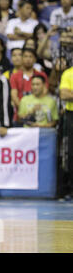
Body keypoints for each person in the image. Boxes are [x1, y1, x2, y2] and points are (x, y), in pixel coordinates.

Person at [59, 65, 73, 199]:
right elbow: (64, 94)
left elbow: (69, 94)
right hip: (71, 115)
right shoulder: (68, 73)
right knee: (71, 152)